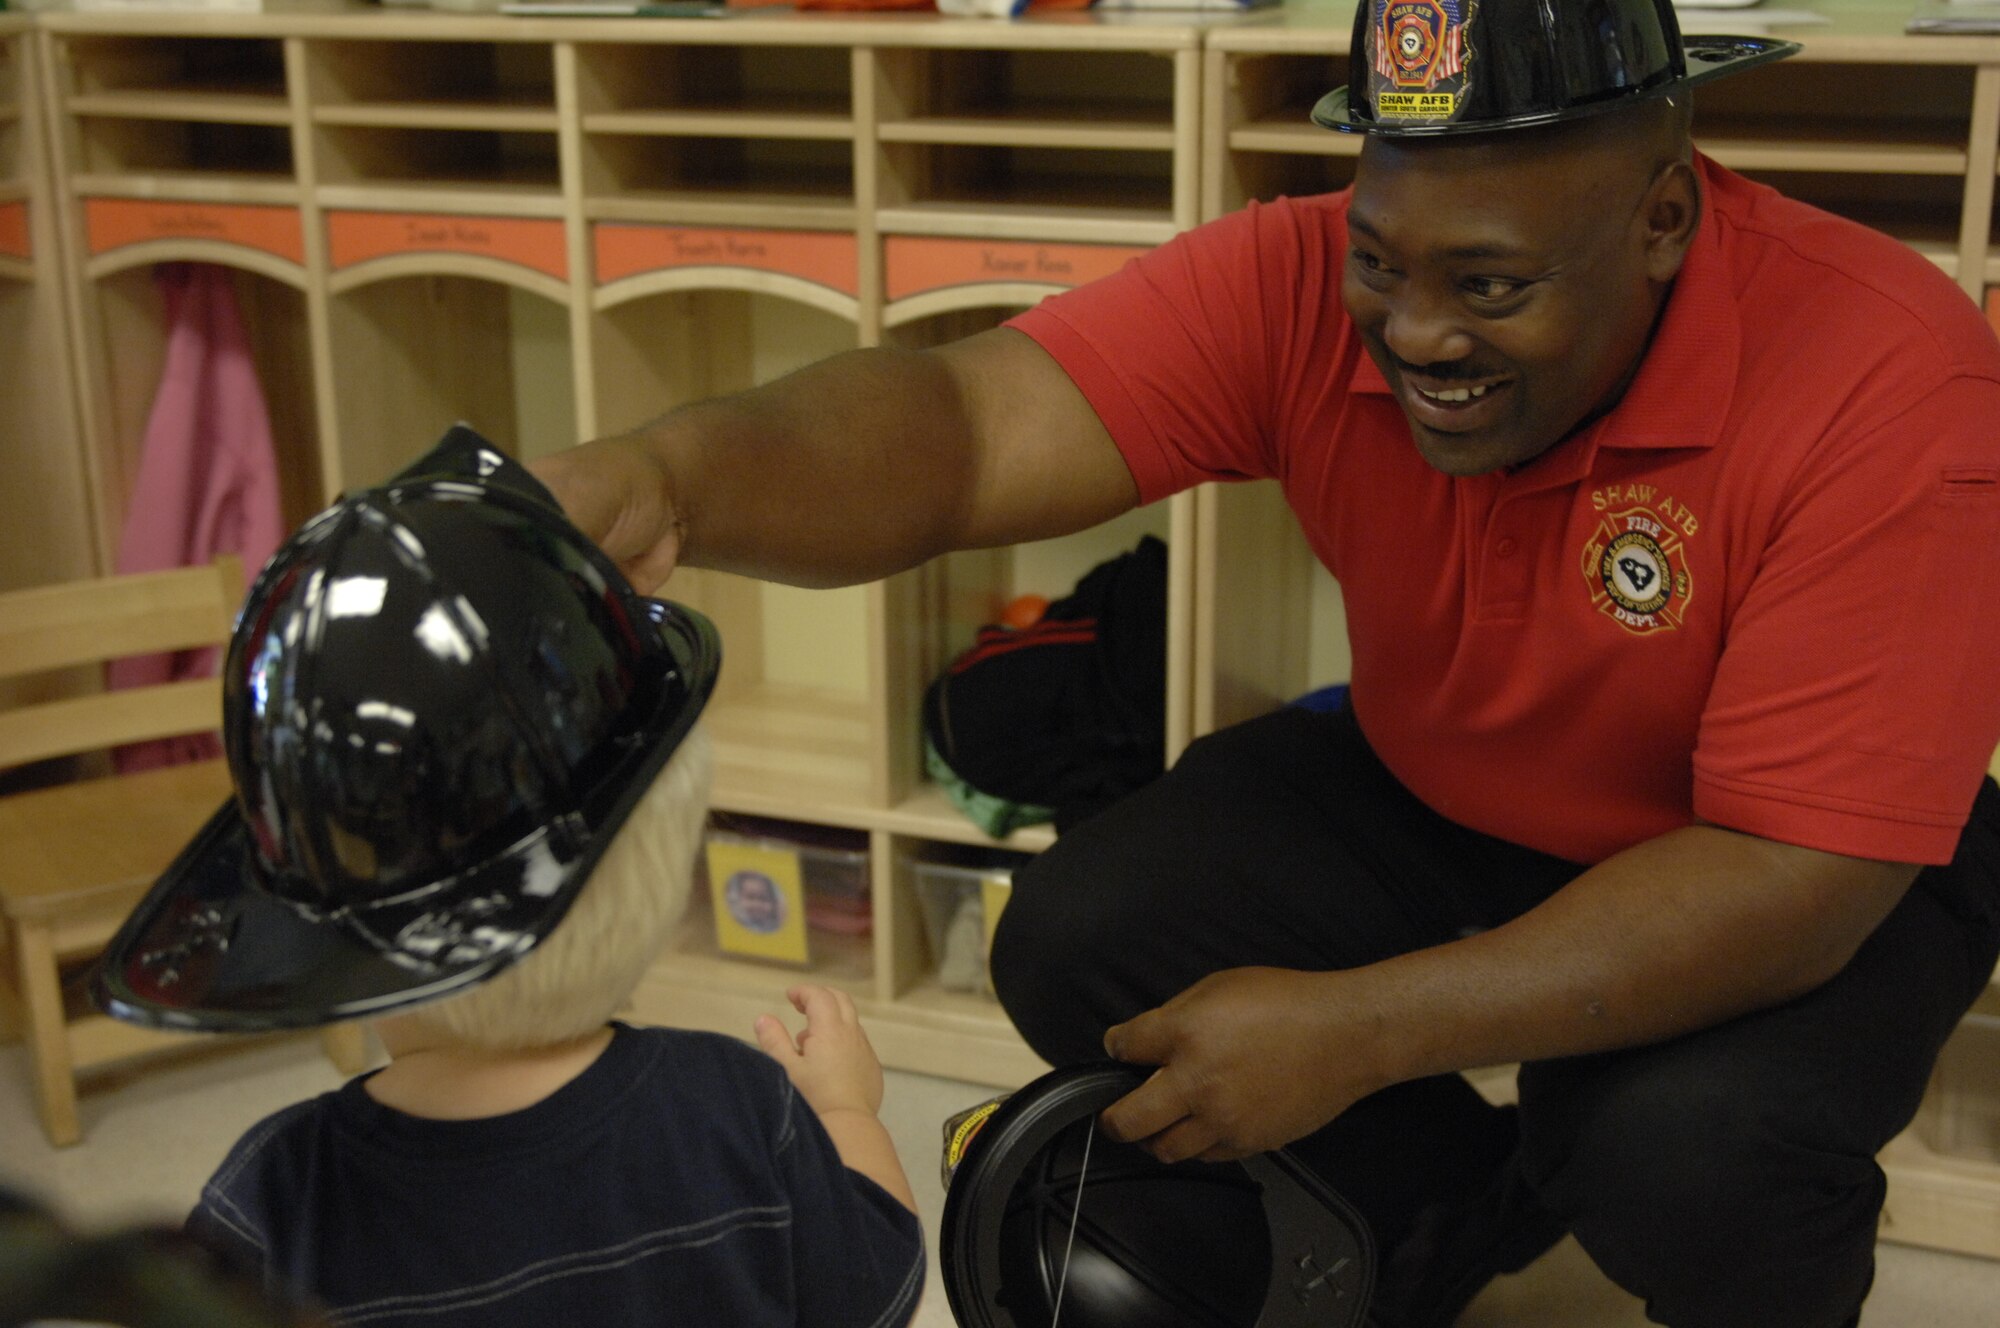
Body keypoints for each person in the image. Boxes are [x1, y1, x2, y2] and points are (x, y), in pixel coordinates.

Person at [527, 2, 2000, 1325]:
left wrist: (1361, 1031)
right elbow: (967, 427)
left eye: (1491, 287)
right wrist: (678, 474)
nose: (1416, 332)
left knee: (1684, 1158)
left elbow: (1792, 877)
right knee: (1080, 931)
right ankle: (1446, 1219)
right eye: (1383, 261)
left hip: (1783, 859)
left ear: (1665, 215)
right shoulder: (1298, 282)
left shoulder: (1892, 379)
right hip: (1454, 778)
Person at [91, 431, 923, 1328]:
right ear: (663, 873)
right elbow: (870, 1286)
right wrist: (844, 1109)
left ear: (327, 936)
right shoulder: (738, 1111)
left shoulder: (276, 1202)